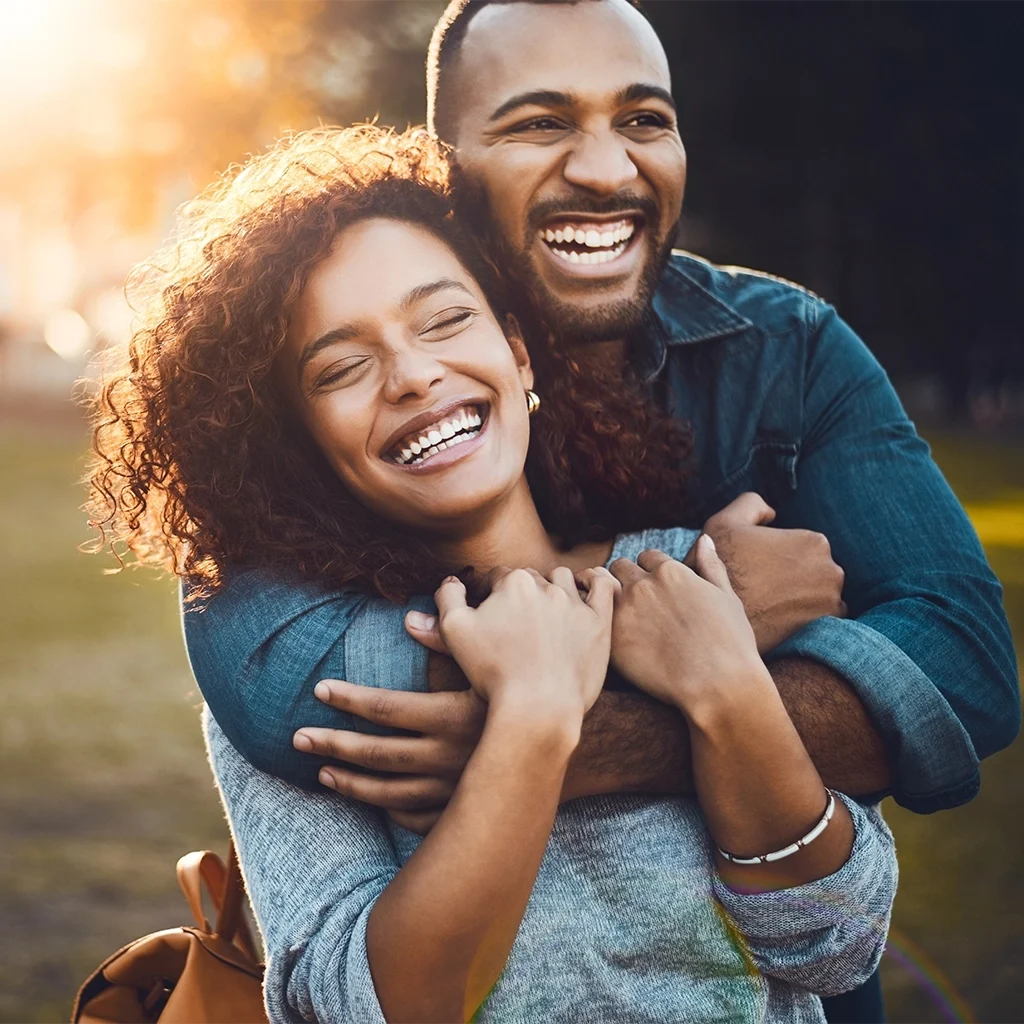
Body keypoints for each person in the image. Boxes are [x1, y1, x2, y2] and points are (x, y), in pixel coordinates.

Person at [178, 3, 1017, 1020]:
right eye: (539, 122)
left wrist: (653, 709)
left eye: (644, 119)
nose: (609, 172)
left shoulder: (759, 413)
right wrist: (555, 692)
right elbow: (285, 712)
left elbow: (954, 687)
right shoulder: (707, 586)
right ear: (448, 166)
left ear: (513, 356)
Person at [88, 124, 896, 1023]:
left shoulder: (693, 575)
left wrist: (724, 685)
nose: (413, 375)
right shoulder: (314, 692)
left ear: (516, 352)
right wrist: (533, 720)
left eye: (444, 320)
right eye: (342, 368)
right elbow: (365, 1007)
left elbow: (838, 944)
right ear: (296, 445)